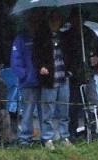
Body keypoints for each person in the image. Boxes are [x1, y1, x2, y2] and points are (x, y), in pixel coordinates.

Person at [34, 10, 72, 149]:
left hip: (63, 78)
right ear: (49, 21)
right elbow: (35, 56)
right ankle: (47, 138)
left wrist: (69, 69)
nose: (55, 22)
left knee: (64, 110)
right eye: (53, 20)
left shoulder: (64, 37)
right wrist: (41, 67)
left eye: (58, 20)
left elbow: (69, 54)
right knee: (48, 111)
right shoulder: (41, 37)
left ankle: (64, 137)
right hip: (49, 79)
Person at [64, 11, 98, 142]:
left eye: (79, 18)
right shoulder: (66, 36)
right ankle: (71, 133)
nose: (77, 21)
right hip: (73, 76)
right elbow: (64, 56)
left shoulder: (90, 34)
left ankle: (91, 131)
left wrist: (97, 58)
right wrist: (68, 70)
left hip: (89, 75)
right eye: (74, 18)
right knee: (73, 107)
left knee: (91, 105)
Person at [11, 12, 42, 147]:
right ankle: (25, 139)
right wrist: (24, 75)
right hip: (28, 83)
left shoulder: (43, 36)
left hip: (43, 82)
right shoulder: (21, 38)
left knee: (44, 111)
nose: (34, 24)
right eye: (32, 20)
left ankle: (46, 137)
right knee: (28, 111)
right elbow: (15, 59)